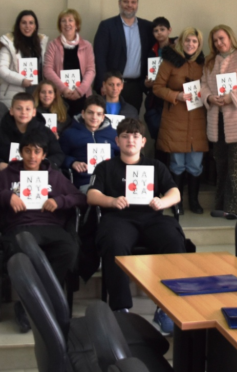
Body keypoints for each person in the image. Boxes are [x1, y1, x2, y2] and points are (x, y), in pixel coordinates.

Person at [87, 118, 184, 333]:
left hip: (152, 218)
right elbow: (92, 195)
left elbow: (175, 192)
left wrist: (162, 202)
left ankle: (166, 308)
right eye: (125, 136)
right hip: (118, 218)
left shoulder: (156, 166)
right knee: (113, 243)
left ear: (143, 142)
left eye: (135, 136)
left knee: (174, 240)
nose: (130, 140)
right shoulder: (105, 167)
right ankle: (121, 308)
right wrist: (111, 201)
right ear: (117, 141)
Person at [0, 129, 85, 332]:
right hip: (19, 226)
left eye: (37, 151)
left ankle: (29, 305)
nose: (32, 156)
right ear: (21, 152)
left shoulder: (54, 176)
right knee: (24, 252)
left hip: (51, 226)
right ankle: (36, 305)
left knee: (69, 249)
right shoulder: (7, 175)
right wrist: (7, 196)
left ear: (44, 154)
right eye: (28, 151)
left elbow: (80, 198)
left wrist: (59, 201)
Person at [201, 25, 237, 215]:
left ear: (230, 37)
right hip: (217, 121)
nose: (219, 43)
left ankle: (233, 210)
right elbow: (203, 84)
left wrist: (231, 97)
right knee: (221, 166)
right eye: (215, 40)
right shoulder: (210, 61)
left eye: (221, 38)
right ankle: (220, 206)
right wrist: (210, 97)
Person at [152, 27, 208, 213]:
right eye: (187, 40)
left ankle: (194, 201)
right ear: (181, 42)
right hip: (175, 118)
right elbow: (157, 87)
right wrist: (176, 95)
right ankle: (177, 202)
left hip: (198, 118)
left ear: (199, 44)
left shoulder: (204, 64)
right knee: (177, 164)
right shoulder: (169, 62)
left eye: (194, 41)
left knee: (195, 164)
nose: (190, 44)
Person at [92, 0, 154, 111]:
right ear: (119, 3)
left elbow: (157, 47)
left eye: (133, 2)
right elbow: (99, 57)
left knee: (132, 120)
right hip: (111, 87)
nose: (129, 5)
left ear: (137, 4)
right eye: (126, 1)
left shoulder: (147, 27)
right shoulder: (107, 26)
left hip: (135, 87)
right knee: (109, 120)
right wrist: (102, 84)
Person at [0, 92, 64, 177]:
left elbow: (58, 154)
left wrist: (43, 165)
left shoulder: (45, 132)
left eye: (28, 109)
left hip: (39, 176)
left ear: (34, 112)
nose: (23, 112)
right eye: (19, 109)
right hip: (7, 177)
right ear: (11, 111)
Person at [59, 95, 119, 191]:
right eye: (90, 113)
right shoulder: (69, 134)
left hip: (111, 181)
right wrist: (72, 162)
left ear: (103, 117)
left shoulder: (114, 134)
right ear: (83, 114)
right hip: (85, 181)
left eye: (98, 114)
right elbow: (59, 155)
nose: (94, 117)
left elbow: (122, 155)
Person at [43, 8, 94, 117]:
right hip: (60, 95)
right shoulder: (53, 45)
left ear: (77, 24)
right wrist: (64, 89)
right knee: (62, 122)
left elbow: (91, 70)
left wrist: (80, 91)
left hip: (82, 95)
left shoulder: (87, 46)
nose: (67, 24)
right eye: (63, 21)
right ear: (60, 25)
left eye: (70, 20)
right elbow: (47, 70)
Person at [0, 10, 48, 108]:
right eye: (24, 23)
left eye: (31, 23)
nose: (27, 26)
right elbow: (0, 69)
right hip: (13, 94)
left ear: (35, 26)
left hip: (36, 95)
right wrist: (21, 80)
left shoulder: (40, 44)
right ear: (18, 25)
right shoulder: (9, 44)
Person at [143, 16, 174, 147]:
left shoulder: (177, 48)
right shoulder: (151, 51)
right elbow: (145, 74)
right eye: (156, 31)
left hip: (172, 96)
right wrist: (146, 84)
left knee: (172, 133)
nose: (159, 33)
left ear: (169, 30)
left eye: (162, 29)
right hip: (156, 98)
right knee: (158, 135)